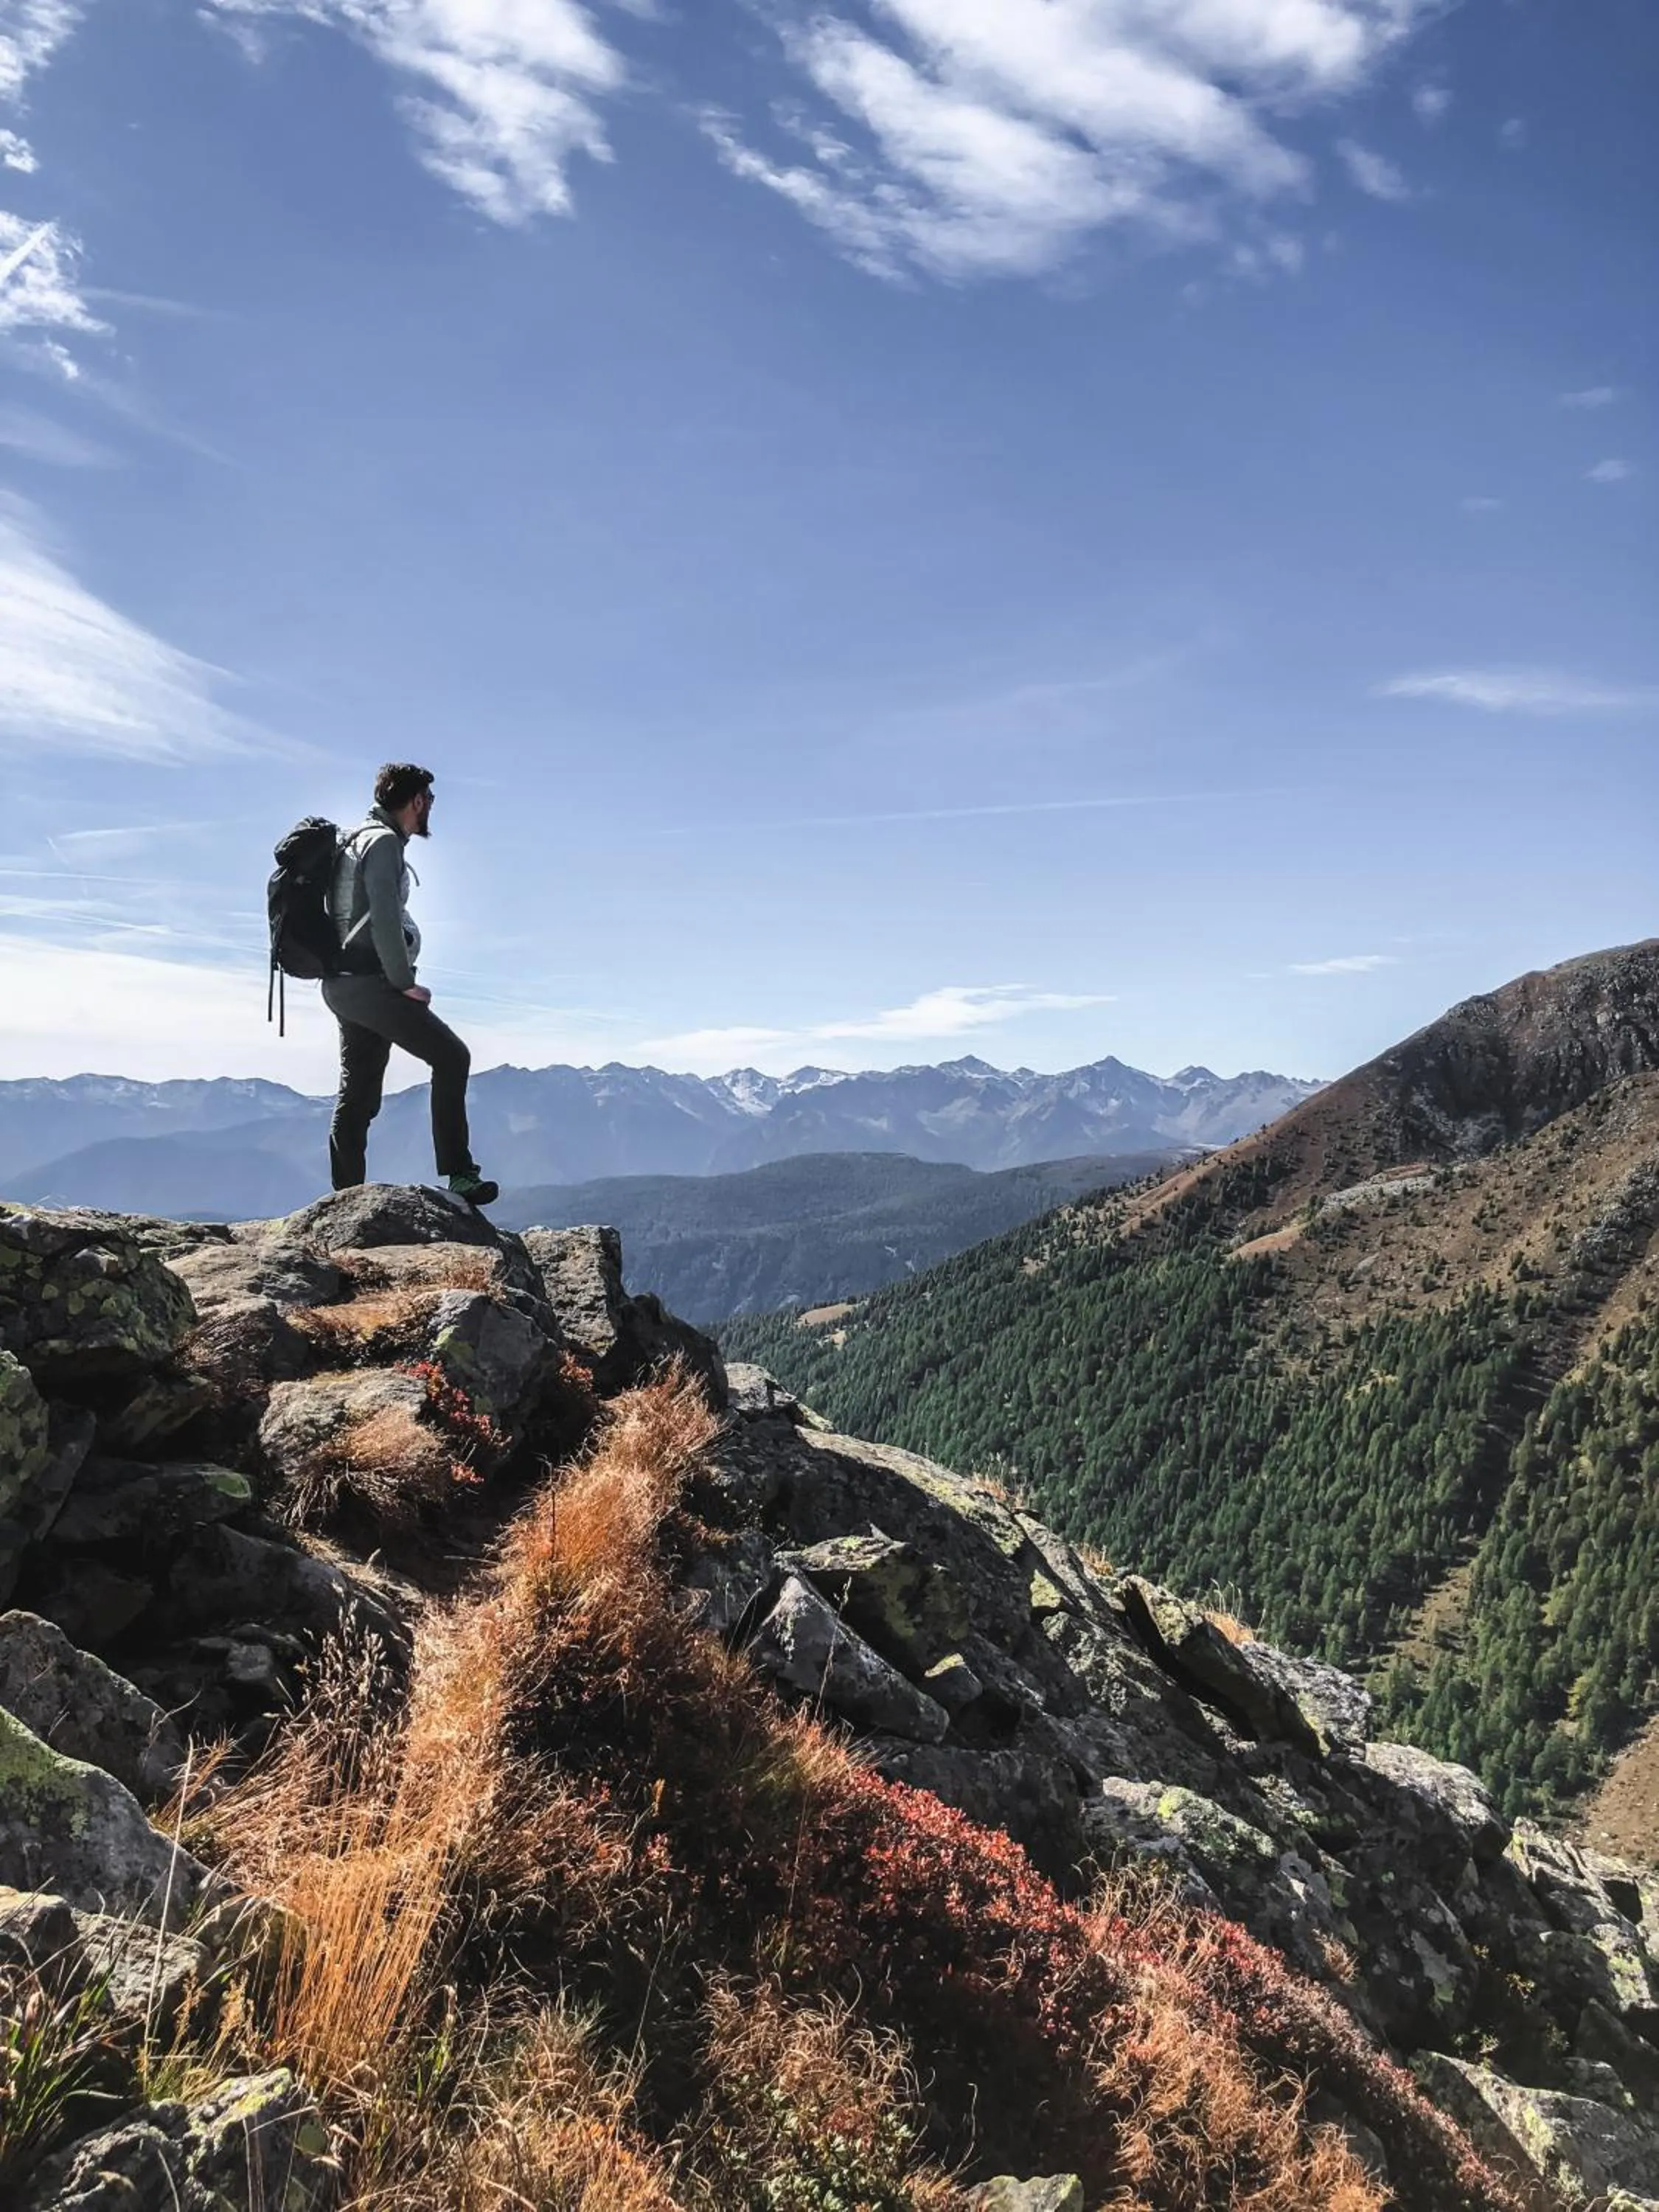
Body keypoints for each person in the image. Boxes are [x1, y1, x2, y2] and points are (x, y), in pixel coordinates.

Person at [321, 763, 499, 1206]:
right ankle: (460, 1173)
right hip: (371, 983)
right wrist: (403, 983)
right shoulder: (382, 844)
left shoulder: (353, 838)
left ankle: (346, 1200)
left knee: (359, 1093)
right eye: (430, 801)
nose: (431, 810)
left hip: (342, 983)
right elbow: (383, 916)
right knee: (453, 1057)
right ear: (416, 801)